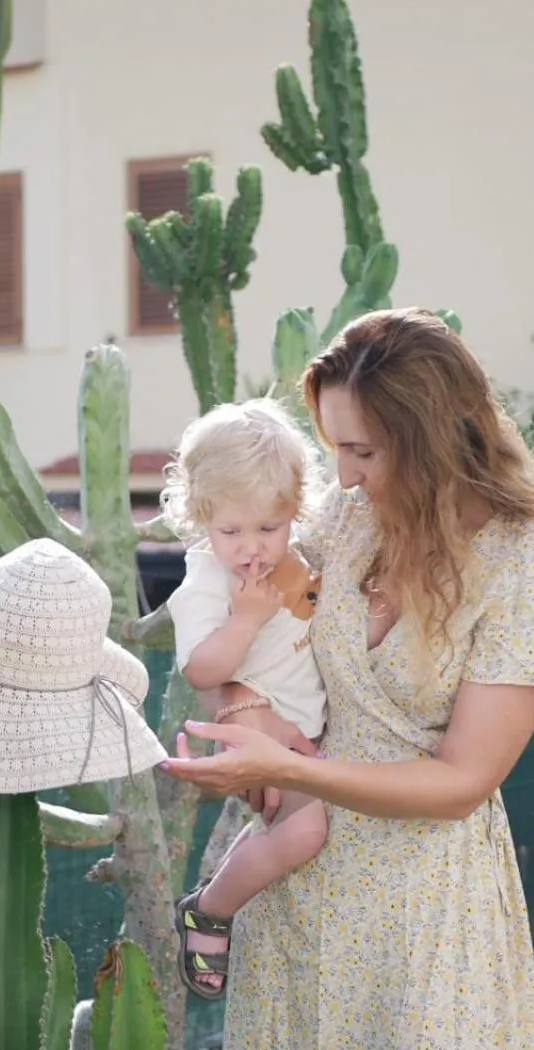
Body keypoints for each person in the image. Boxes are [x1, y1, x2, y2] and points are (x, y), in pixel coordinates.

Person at [159, 307, 534, 1050]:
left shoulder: (531, 561)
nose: (343, 476)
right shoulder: (348, 519)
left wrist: (284, 769)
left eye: (363, 451)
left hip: (423, 908)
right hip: (297, 889)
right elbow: (231, 615)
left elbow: (462, 781)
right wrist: (245, 711)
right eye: (333, 449)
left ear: (434, 435)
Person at [159, 398, 331, 1000]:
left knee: (295, 831)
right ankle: (211, 907)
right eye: (232, 531)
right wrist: (247, 620)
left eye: (269, 528)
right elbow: (202, 667)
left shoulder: (301, 557)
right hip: (263, 737)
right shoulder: (208, 579)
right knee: (304, 834)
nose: (252, 547)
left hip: (307, 732)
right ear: (202, 517)